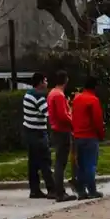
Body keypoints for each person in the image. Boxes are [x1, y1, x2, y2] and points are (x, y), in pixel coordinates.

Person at [21, 72, 62, 200]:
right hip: (38, 133)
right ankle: (52, 189)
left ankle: (34, 190)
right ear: (40, 83)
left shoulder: (28, 94)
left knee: (33, 163)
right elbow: (48, 114)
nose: (47, 83)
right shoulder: (39, 97)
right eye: (45, 81)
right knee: (45, 161)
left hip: (29, 131)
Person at [70, 77, 105, 199]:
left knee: (81, 165)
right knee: (90, 164)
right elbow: (97, 121)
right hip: (90, 136)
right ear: (95, 87)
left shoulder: (77, 98)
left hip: (78, 136)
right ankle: (92, 190)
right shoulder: (93, 100)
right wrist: (101, 135)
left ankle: (81, 191)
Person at [46, 71, 76, 199]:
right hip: (62, 130)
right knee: (61, 162)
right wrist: (73, 122)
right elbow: (63, 115)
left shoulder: (52, 93)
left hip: (56, 129)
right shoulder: (58, 95)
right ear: (65, 81)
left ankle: (58, 190)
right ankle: (60, 192)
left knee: (59, 161)